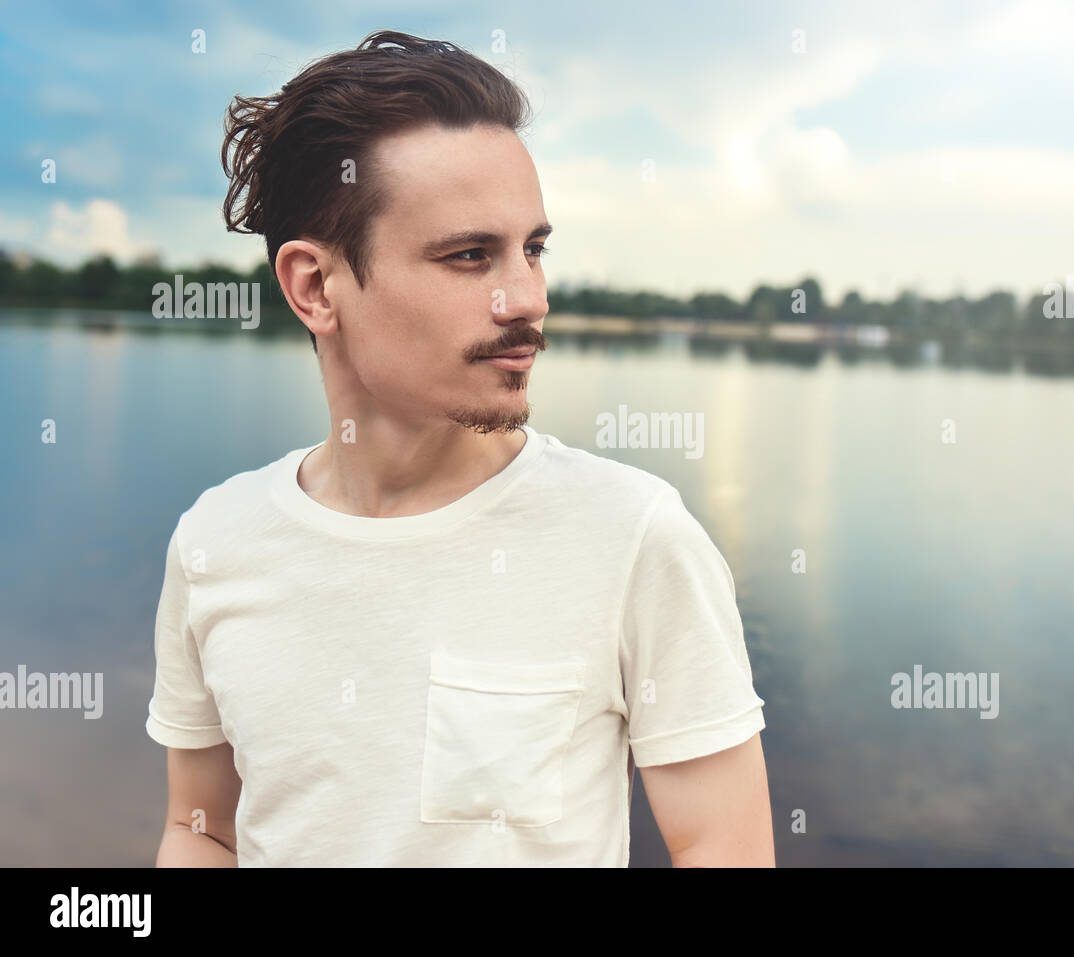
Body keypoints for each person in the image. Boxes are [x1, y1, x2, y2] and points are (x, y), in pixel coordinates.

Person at [146, 30, 772, 867]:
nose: (527, 298)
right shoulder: (213, 545)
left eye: (533, 249)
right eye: (471, 255)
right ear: (315, 286)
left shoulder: (633, 537)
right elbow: (204, 830)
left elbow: (717, 848)